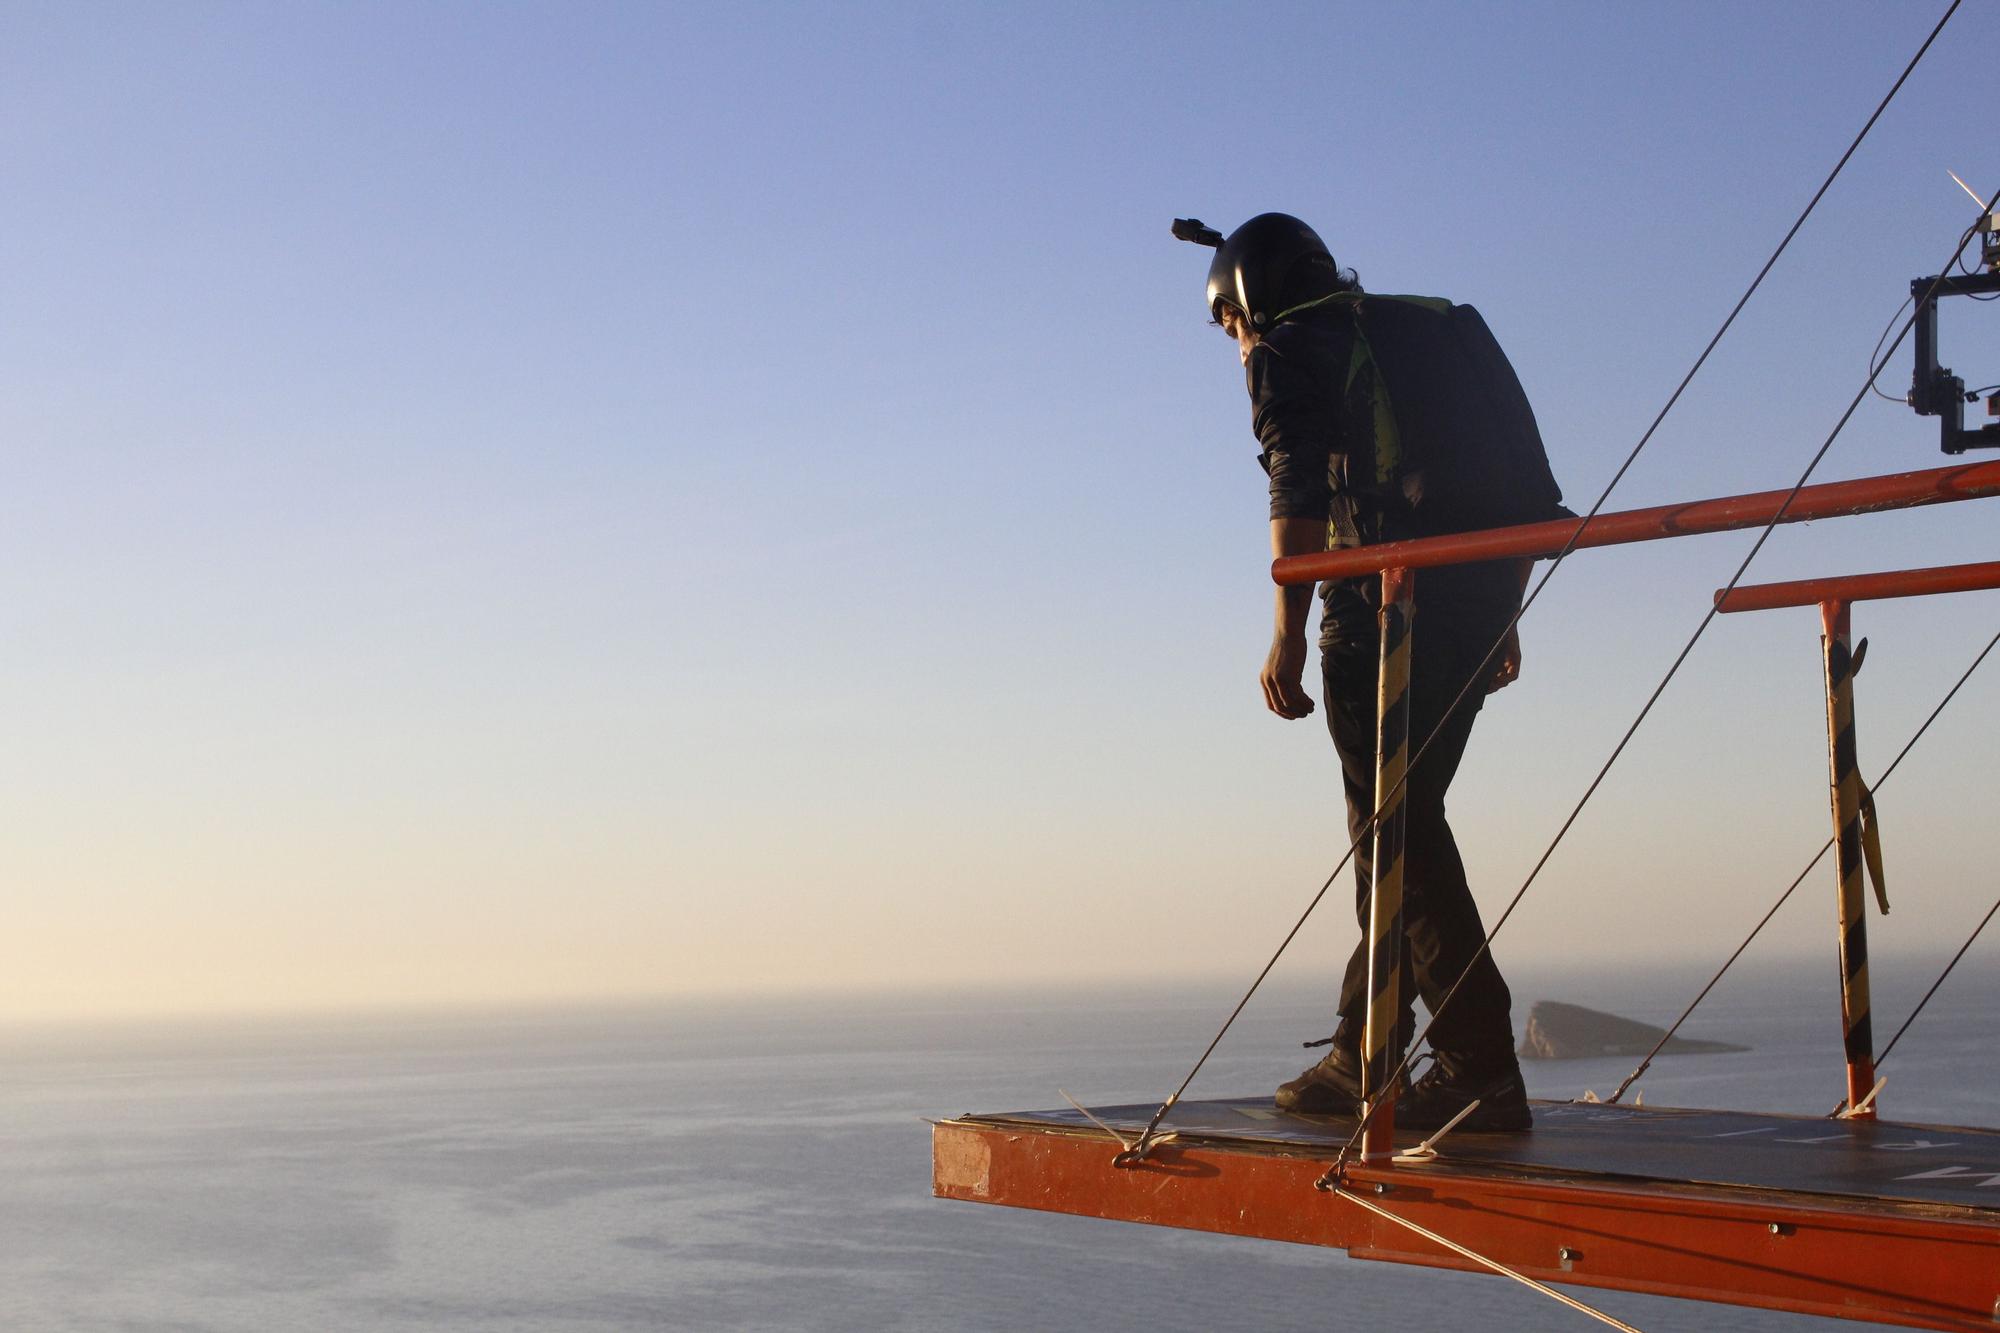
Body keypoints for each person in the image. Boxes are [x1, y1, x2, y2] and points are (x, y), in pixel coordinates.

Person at [1190, 212, 1553, 1133]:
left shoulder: (1286, 349)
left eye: (1229, 324)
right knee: (1400, 827)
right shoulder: (1444, 320)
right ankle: (1366, 1050)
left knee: (1396, 833)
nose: (1235, 346)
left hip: (1381, 609)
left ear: (1248, 300)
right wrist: (1503, 616)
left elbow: (1295, 489)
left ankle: (1478, 1065)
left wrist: (1285, 629)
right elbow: (1528, 485)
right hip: (1478, 597)